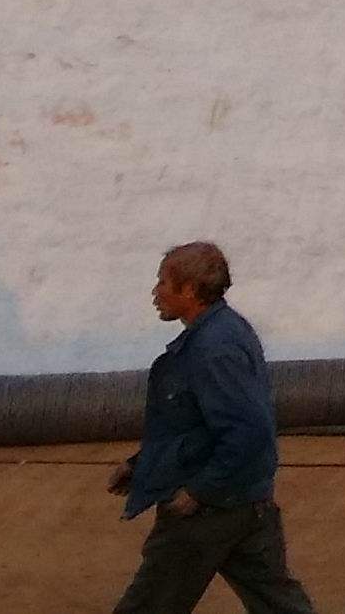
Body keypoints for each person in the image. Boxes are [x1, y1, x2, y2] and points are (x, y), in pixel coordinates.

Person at [104, 241, 319, 614]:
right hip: (247, 505)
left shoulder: (213, 349)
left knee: (148, 605)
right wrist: (140, 466)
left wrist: (199, 492)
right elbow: (194, 426)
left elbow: (248, 431)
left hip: (209, 514)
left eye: (163, 282)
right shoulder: (224, 332)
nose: (156, 292)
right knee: (279, 604)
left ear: (189, 290)